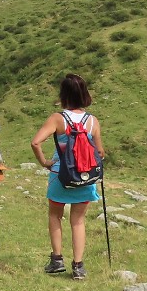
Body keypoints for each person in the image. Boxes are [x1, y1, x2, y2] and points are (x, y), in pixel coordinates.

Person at [31, 73, 103, 280]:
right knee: (78, 221)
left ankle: (57, 260)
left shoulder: (58, 118)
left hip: (60, 174)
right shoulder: (92, 121)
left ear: (64, 94)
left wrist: (45, 162)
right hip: (85, 176)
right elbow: (100, 152)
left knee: (55, 216)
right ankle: (78, 267)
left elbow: (35, 142)